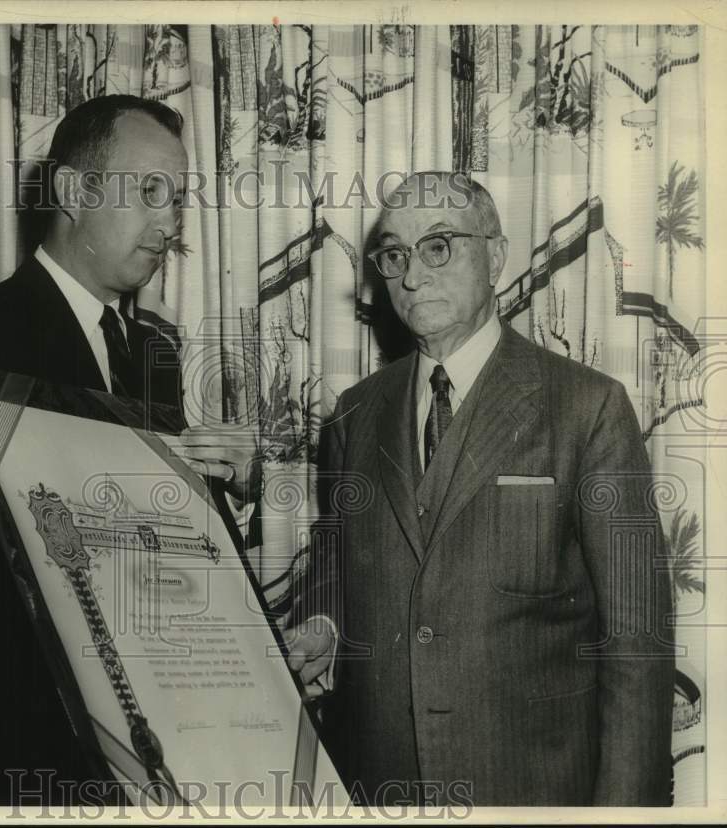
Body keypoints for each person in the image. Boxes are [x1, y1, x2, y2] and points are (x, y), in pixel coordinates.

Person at [0, 95, 257, 805]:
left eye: (179, 199)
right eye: (151, 191)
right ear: (73, 190)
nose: (171, 222)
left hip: (139, 768)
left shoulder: (157, 356)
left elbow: (150, 564)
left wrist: (224, 495)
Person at [283, 172, 675, 806]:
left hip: (535, 791)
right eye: (393, 255)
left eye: (438, 246)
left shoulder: (588, 407)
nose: (411, 277)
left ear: (495, 256)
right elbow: (339, 552)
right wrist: (327, 621)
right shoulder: (353, 415)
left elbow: (636, 641)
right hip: (380, 787)